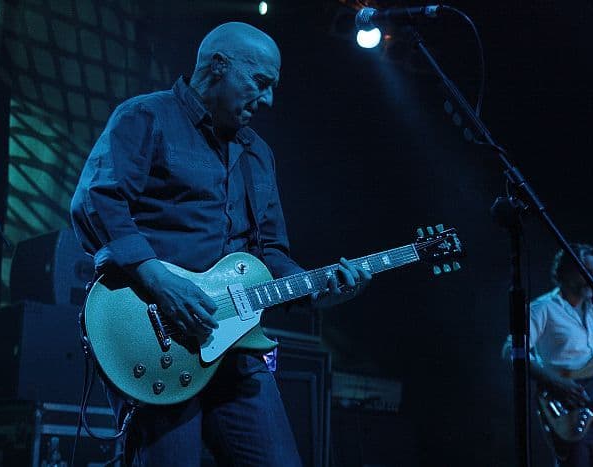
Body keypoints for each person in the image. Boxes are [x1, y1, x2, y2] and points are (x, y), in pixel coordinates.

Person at [70, 22, 371, 466]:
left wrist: (318, 288)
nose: (267, 99)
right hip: (156, 336)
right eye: (260, 82)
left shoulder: (258, 154)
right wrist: (160, 282)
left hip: (236, 345)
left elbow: (270, 253)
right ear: (218, 66)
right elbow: (96, 202)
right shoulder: (146, 117)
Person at [504, 243, 593, 467]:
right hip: (570, 414)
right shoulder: (543, 309)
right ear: (564, 272)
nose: (592, 279)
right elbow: (511, 350)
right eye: (586, 272)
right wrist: (556, 383)